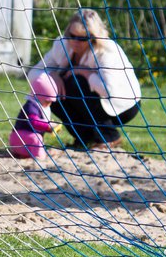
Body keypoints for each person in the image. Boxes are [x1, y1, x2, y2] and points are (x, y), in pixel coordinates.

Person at [29, 8, 142, 150]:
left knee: (76, 82)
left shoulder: (107, 51)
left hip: (122, 106)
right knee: (50, 90)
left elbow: (109, 91)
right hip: (93, 100)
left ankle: (109, 137)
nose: (75, 41)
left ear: (93, 37)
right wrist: (53, 76)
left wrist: (86, 73)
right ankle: (84, 139)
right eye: (72, 35)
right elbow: (34, 74)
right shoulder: (62, 44)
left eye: (82, 38)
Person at [8, 71, 61, 159]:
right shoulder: (31, 106)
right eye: (47, 101)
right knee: (36, 139)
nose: (49, 104)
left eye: (51, 102)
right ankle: (39, 157)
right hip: (19, 138)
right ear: (38, 97)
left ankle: (24, 154)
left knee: (37, 139)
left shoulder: (39, 105)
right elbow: (34, 122)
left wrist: (51, 128)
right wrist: (48, 126)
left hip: (24, 140)